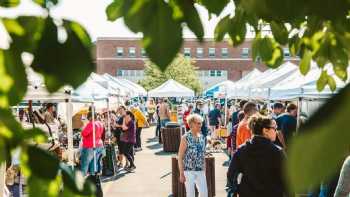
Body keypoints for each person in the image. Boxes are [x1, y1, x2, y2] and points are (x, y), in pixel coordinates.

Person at [227, 115, 287, 197]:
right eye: (275, 128)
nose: (276, 131)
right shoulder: (277, 151)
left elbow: (231, 175)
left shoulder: (241, 150)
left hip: (247, 193)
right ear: (265, 130)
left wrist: (237, 190)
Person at [178, 114, 208, 197]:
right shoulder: (185, 137)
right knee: (190, 194)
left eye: (201, 123)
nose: (200, 125)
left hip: (200, 170)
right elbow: (180, 157)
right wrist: (181, 173)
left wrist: (204, 170)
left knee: (204, 193)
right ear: (191, 124)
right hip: (188, 171)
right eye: (198, 123)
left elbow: (203, 155)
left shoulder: (202, 137)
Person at [80, 111, 105, 176]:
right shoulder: (100, 123)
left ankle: (82, 180)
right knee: (94, 164)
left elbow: (83, 133)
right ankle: (93, 179)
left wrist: (85, 124)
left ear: (90, 117)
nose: (88, 119)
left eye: (88, 118)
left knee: (85, 163)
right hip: (99, 144)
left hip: (90, 146)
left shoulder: (91, 124)